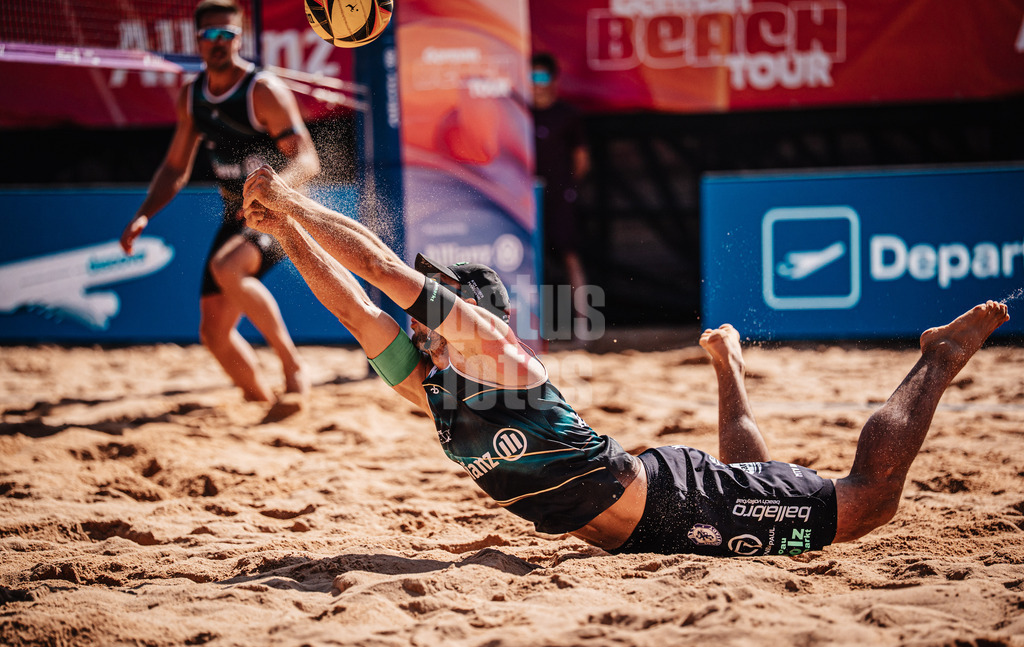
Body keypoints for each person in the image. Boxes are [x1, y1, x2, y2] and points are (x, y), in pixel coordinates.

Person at [241, 163, 1010, 557]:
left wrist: (294, 203)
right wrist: (279, 228)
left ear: (467, 309)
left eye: (433, 304)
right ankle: (729, 364)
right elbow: (352, 306)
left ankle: (938, 357)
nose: (418, 322)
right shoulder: (431, 386)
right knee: (760, 500)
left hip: (670, 499)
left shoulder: (494, 349)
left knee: (866, 503)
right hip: (641, 532)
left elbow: (377, 272)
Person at [120, 0, 320, 409]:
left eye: (227, 34)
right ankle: (260, 403)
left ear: (239, 39)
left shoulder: (261, 91)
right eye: (210, 34)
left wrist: (273, 189)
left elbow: (308, 160)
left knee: (226, 267)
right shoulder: (193, 97)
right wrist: (143, 214)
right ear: (197, 41)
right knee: (213, 333)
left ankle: (292, 367)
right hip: (240, 214)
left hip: (281, 210)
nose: (218, 42)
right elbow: (175, 167)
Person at [531, 53, 592, 342]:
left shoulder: (567, 115)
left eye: (542, 77)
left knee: (570, 257)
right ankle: (535, 330)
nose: (537, 84)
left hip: (560, 197)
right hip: (529, 197)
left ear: (554, 80)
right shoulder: (522, 114)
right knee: (530, 260)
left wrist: (566, 186)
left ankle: (583, 327)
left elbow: (582, 159)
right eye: (532, 77)